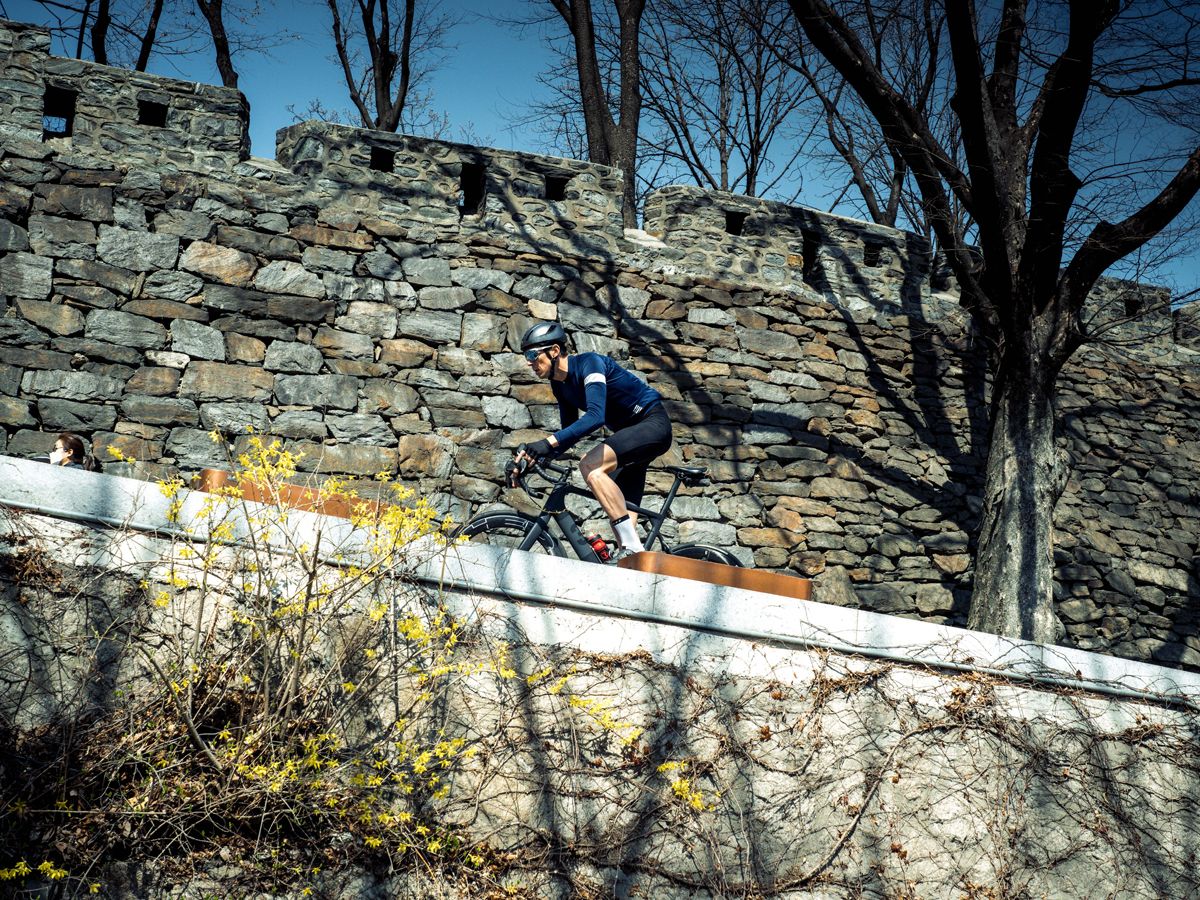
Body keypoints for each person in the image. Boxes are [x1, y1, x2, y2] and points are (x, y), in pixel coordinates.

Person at [513, 321, 672, 559]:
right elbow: (569, 434)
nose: (529, 362)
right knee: (617, 509)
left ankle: (633, 548)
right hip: (630, 438)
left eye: (533, 354)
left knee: (590, 465)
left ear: (555, 351)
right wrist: (533, 457)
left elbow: (596, 416)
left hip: (651, 424)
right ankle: (632, 559)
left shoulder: (590, 363)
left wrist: (546, 443)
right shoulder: (559, 385)